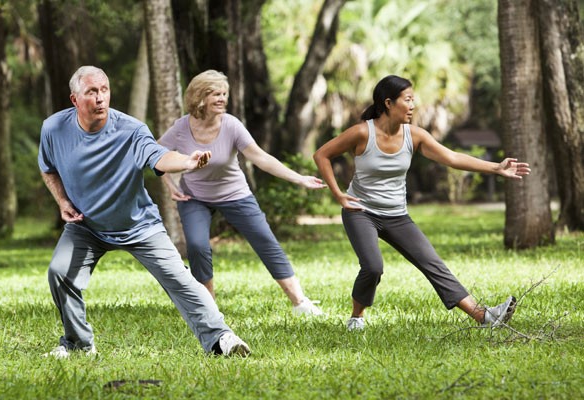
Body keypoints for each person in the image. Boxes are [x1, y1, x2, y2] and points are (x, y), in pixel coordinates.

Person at [38, 66, 250, 358]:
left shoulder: (131, 130)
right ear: (74, 100)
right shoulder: (54, 128)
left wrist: (187, 162)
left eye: (104, 90)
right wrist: (62, 201)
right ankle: (78, 344)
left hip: (138, 225)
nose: (101, 98)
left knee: (181, 279)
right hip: (86, 225)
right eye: (92, 92)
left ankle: (221, 339)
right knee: (59, 273)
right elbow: (48, 168)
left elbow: (159, 157)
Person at [312, 75, 530, 331]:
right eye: (408, 100)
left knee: (433, 263)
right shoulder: (362, 132)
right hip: (361, 211)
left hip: (397, 216)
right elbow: (322, 155)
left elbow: (451, 157)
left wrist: (496, 167)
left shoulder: (414, 136)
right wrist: (338, 194)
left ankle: (484, 317)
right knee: (373, 266)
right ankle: (356, 317)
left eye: (413, 99)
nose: (413, 105)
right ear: (389, 103)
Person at [158, 70, 326, 316]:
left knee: (265, 240)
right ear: (200, 97)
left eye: (224, 94)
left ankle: (300, 302)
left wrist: (298, 178)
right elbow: (155, 155)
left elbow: (260, 158)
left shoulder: (231, 125)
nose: (222, 99)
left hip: (235, 194)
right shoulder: (182, 127)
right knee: (197, 245)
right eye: (216, 94)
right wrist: (170, 185)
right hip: (194, 197)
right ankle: (209, 309)